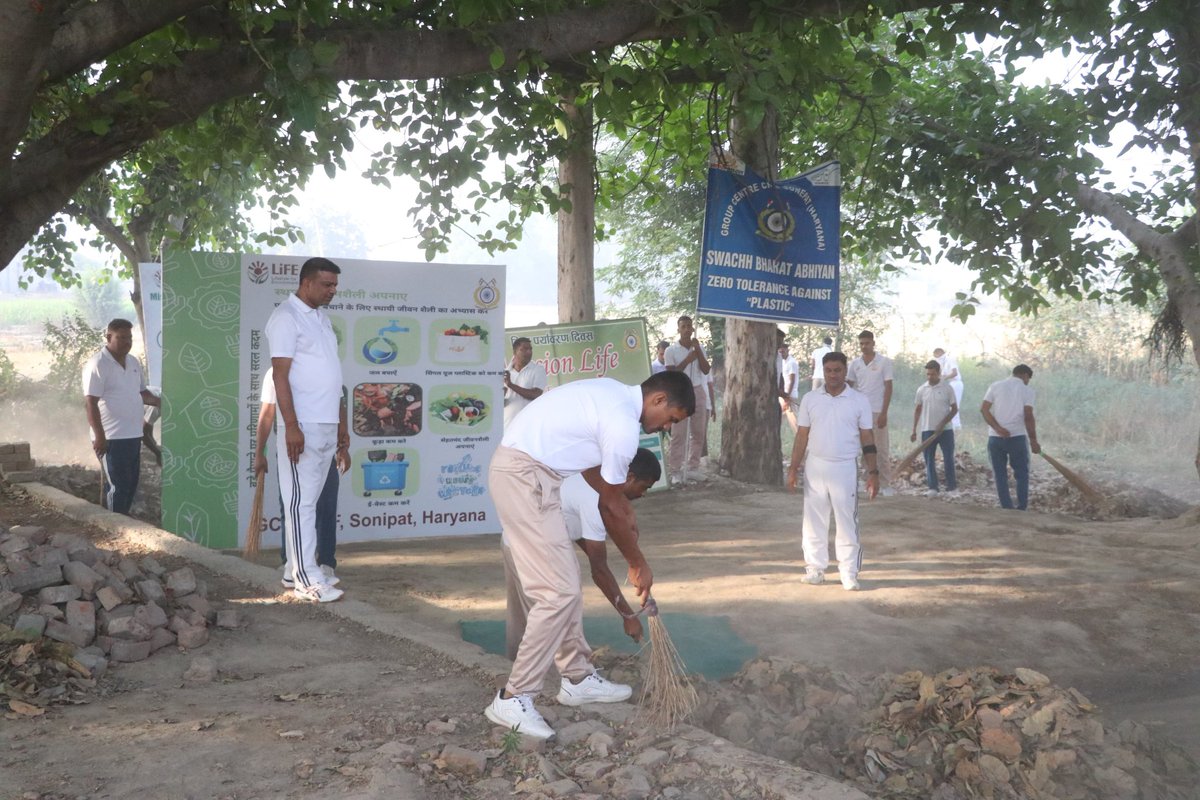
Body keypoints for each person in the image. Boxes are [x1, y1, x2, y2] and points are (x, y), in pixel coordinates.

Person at [485, 371, 695, 740]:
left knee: (565, 586)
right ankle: (513, 697)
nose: (665, 428)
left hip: (536, 477)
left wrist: (629, 525)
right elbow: (610, 503)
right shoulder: (622, 423)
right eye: (671, 419)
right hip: (524, 477)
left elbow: (602, 483)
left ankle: (578, 679)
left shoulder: (613, 394)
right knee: (557, 594)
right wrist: (637, 562)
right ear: (659, 400)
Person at [503, 448, 662, 660]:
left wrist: (634, 567)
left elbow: (573, 527)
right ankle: (570, 675)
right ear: (629, 477)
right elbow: (598, 570)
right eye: (644, 487)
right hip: (529, 546)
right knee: (562, 602)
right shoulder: (596, 501)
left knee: (532, 614)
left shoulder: (593, 479)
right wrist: (627, 615)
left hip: (516, 540)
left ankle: (522, 669)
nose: (643, 494)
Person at [265, 257, 349, 603]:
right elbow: (280, 376)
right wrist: (292, 426)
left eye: (334, 285)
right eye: (327, 285)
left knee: (309, 502)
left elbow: (331, 376)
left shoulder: (321, 319)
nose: (332, 291)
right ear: (307, 283)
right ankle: (306, 579)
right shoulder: (285, 318)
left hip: (326, 423)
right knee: (301, 504)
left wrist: (341, 427)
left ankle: (292, 572)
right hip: (303, 425)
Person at [786, 351, 878, 591]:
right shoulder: (811, 399)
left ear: (845, 371)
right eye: (828, 371)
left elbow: (867, 437)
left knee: (847, 521)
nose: (833, 375)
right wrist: (793, 468)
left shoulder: (859, 400)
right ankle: (815, 569)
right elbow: (802, 435)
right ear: (823, 372)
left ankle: (849, 572)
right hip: (816, 466)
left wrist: (873, 472)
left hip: (845, 467)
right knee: (814, 520)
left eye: (838, 370)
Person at [255, 366, 347, 586]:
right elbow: (267, 414)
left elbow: (339, 407)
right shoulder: (275, 373)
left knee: (325, 505)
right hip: (292, 450)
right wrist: (259, 452)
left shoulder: (327, 368)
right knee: (291, 505)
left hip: (325, 448)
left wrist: (343, 447)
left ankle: (325, 563)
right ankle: (291, 563)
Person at [82, 318, 161, 515]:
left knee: (131, 483)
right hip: (111, 438)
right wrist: (100, 436)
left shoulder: (133, 362)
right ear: (109, 337)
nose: (127, 342)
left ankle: (122, 521)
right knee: (118, 486)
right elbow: (90, 402)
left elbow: (142, 393)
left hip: (133, 435)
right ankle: (114, 526)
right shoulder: (98, 364)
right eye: (121, 337)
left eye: (130, 338)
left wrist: (163, 402)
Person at [980, 364, 1040, 511]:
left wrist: (998, 428)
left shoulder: (995, 386)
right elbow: (1028, 416)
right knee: (1021, 474)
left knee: (999, 474)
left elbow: (984, 409)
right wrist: (1033, 440)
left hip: (995, 438)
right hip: (1017, 437)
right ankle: (1021, 507)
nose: (1027, 382)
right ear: (1025, 376)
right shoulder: (1027, 391)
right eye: (1028, 379)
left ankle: (1006, 507)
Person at [846, 330, 894, 496]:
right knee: (863, 448)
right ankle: (865, 480)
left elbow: (888, 387)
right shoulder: (855, 364)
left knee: (880, 448)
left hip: (877, 411)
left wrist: (884, 413)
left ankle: (886, 484)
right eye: (861, 343)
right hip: (859, 412)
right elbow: (848, 385)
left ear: (873, 343)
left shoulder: (884, 362)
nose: (864, 346)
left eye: (867, 343)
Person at [664, 315, 710, 484]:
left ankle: (693, 468)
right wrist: (687, 360)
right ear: (678, 329)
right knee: (679, 433)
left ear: (692, 329)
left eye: (689, 326)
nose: (687, 329)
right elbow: (671, 374)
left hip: (697, 390)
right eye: (683, 326)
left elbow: (706, 370)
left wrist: (697, 351)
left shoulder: (698, 348)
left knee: (698, 432)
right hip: (680, 392)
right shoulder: (671, 350)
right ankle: (675, 470)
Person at [911, 361, 959, 497]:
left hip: (946, 431)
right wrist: (914, 429)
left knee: (948, 458)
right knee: (929, 459)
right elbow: (917, 410)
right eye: (927, 374)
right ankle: (933, 488)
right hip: (927, 429)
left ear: (938, 373)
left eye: (932, 374)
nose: (929, 377)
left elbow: (955, 409)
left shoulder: (947, 388)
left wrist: (942, 424)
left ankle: (952, 488)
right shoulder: (921, 389)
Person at [503, 336, 548, 426]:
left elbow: (535, 394)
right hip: (508, 425)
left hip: (529, 425)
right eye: (524, 349)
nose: (529, 352)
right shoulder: (505, 372)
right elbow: (499, 403)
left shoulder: (537, 369)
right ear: (515, 352)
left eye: (530, 349)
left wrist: (511, 385)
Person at [934, 347, 964, 430]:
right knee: (949, 404)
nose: (937, 358)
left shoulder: (950, 359)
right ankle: (954, 425)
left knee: (955, 404)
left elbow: (954, 373)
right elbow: (943, 376)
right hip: (951, 384)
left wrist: (944, 378)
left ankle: (956, 426)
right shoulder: (942, 363)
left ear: (940, 353)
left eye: (937, 356)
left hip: (956, 383)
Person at [778, 342, 802, 431]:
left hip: (790, 395)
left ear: (787, 351)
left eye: (783, 352)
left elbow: (792, 380)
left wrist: (787, 395)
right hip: (783, 395)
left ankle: (802, 440)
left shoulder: (792, 362)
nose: (781, 354)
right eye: (780, 352)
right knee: (778, 419)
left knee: (795, 422)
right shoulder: (783, 362)